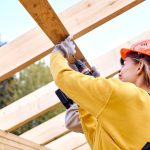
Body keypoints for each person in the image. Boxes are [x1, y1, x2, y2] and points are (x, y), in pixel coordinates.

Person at [50, 37, 150, 150]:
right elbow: (98, 141)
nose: (120, 70)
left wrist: (58, 54)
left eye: (125, 63)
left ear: (140, 66)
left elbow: (64, 79)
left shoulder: (122, 92)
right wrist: (87, 100)